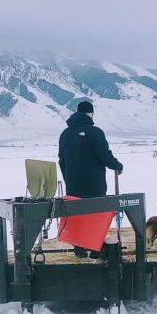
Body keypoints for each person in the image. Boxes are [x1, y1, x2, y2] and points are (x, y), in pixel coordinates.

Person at [58, 100, 123, 257]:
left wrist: (68, 178)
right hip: (95, 184)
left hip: (73, 185)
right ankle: (95, 250)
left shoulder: (65, 134)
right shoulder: (95, 132)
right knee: (95, 216)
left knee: (77, 216)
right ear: (91, 114)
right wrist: (117, 166)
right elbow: (104, 155)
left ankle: (79, 249)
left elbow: (62, 160)